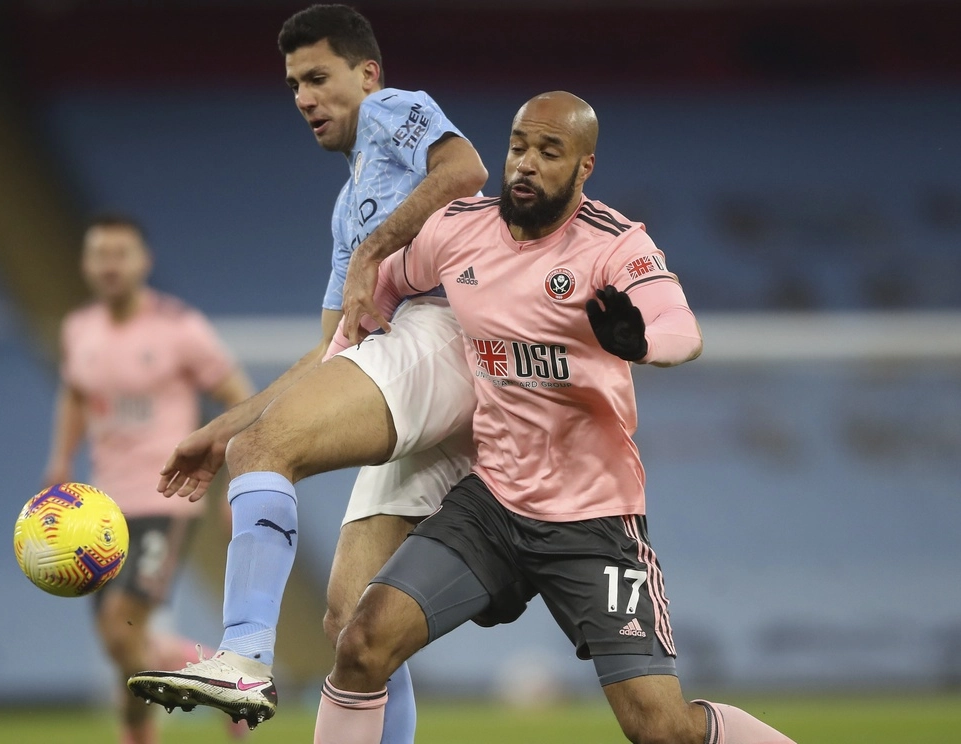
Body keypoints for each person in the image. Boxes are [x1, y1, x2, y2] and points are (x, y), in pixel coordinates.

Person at [312, 92, 797, 744]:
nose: (526, 165)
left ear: (583, 166)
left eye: (548, 152)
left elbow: (681, 329)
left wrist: (641, 343)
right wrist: (340, 353)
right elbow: (384, 283)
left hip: (592, 524)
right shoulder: (460, 230)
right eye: (518, 147)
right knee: (362, 642)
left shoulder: (613, 245)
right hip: (492, 505)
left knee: (659, 729)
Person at [126, 3, 488, 737]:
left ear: (367, 74)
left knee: (263, 453)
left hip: (447, 327)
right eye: (293, 85)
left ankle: (243, 655)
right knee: (359, 620)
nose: (303, 99)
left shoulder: (395, 110)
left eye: (319, 78)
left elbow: (466, 167)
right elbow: (332, 352)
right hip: (412, 360)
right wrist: (217, 428)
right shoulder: (344, 205)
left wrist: (372, 253)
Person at [43, 213, 256, 744]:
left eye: (121, 254)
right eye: (100, 254)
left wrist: (236, 479)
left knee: (123, 623)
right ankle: (216, 677)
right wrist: (60, 462)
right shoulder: (79, 329)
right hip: (98, 511)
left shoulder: (180, 328)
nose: (110, 265)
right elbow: (74, 394)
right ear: (87, 264)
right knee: (121, 643)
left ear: (144, 262)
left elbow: (240, 398)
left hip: (168, 498)